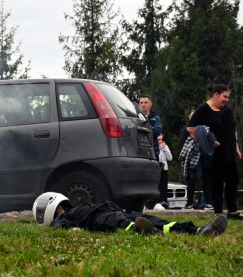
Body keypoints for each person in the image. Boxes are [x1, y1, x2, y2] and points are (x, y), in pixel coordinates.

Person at [33, 192, 227, 237]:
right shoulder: (61, 219)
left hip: (114, 211)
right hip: (99, 219)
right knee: (121, 222)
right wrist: (73, 229)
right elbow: (59, 226)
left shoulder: (68, 211)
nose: (59, 211)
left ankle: (197, 230)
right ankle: (143, 232)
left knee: (156, 220)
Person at [187, 84, 242, 219]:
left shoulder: (226, 110)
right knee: (216, 182)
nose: (227, 100)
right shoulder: (203, 110)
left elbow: (231, 130)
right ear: (216, 95)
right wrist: (207, 140)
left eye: (228, 97)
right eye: (225, 96)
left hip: (229, 151)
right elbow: (191, 128)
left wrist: (236, 147)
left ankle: (232, 212)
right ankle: (218, 213)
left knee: (233, 180)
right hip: (214, 154)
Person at [157, 134, 172, 207]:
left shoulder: (165, 147)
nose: (160, 141)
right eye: (158, 140)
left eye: (161, 140)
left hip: (164, 168)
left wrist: (165, 148)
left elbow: (170, 158)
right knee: (158, 185)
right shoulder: (155, 148)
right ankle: (157, 201)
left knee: (164, 186)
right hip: (157, 168)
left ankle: (164, 201)